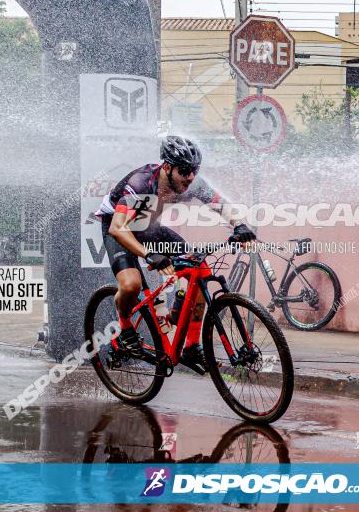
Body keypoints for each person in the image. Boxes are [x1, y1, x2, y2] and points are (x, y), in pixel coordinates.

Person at [95, 135, 255, 369]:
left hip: (150, 228)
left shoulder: (191, 183)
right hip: (121, 228)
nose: (190, 177)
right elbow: (118, 228)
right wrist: (149, 255)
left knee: (200, 269)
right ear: (167, 167)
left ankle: (190, 347)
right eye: (184, 171)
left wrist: (239, 224)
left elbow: (221, 205)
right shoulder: (141, 184)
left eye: (194, 170)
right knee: (131, 285)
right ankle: (125, 331)